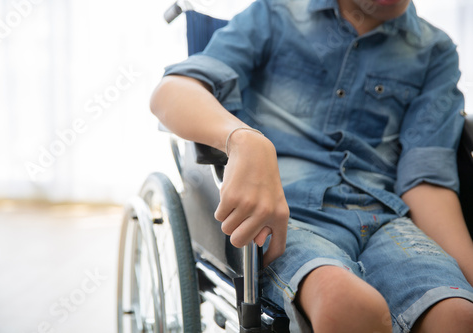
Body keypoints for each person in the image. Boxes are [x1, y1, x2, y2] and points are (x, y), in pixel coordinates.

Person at [150, 0, 473, 331]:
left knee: (457, 317)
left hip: (384, 219)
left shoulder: (435, 51)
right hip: (286, 213)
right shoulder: (275, 15)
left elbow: (427, 184)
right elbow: (173, 90)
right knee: (345, 305)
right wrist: (244, 140)